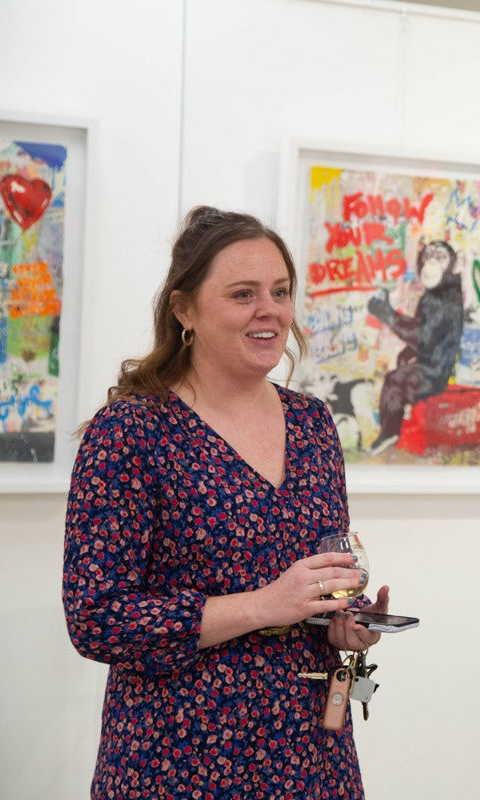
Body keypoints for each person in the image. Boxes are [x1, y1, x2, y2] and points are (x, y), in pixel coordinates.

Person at [63, 206, 390, 798]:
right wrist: (266, 604)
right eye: (243, 294)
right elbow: (97, 619)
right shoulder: (132, 431)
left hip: (312, 758)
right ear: (184, 308)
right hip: (180, 759)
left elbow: (317, 573)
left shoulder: (313, 422)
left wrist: (347, 617)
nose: (269, 310)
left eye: (281, 292)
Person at [366, 239, 464, 455]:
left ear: (451, 266)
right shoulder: (435, 295)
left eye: (438, 259)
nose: (430, 264)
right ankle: (395, 425)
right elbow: (424, 334)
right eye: (428, 257)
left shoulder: (445, 299)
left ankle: (389, 433)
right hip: (430, 362)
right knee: (398, 368)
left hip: (435, 371)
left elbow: (422, 337)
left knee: (393, 382)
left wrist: (387, 314)